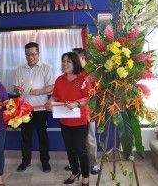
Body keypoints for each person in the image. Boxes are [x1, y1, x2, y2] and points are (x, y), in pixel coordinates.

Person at [46, 52, 90, 186]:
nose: (64, 64)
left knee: (81, 149)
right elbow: (55, 96)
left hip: (81, 120)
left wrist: (77, 104)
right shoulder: (59, 79)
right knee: (70, 148)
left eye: (68, 62)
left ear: (75, 63)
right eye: (63, 61)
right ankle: (75, 172)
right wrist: (50, 102)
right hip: (65, 120)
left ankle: (86, 178)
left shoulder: (84, 78)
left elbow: (88, 98)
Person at [13, 42, 55, 173]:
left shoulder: (45, 68)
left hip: (40, 109)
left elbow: (51, 87)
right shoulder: (20, 68)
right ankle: (25, 161)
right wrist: (18, 89)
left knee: (43, 136)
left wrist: (40, 91)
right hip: (24, 109)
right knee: (25, 136)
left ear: (38, 54)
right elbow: (15, 87)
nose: (30, 57)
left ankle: (45, 162)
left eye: (32, 54)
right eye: (27, 54)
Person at [64, 48, 100, 175]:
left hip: (87, 111)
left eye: (74, 58)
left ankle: (93, 163)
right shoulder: (72, 73)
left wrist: (95, 110)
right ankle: (75, 163)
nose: (71, 62)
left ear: (83, 58)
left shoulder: (91, 73)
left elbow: (95, 94)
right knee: (75, 140)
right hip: (71, 112)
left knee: (89, 138)